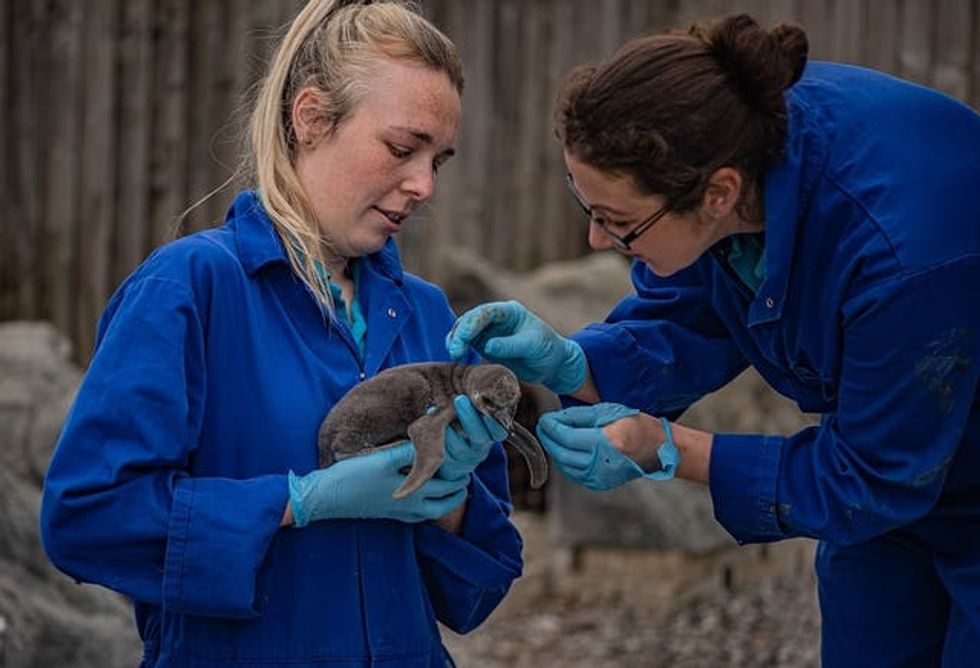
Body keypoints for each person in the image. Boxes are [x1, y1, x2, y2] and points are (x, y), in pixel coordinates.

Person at [447, 13, 980, 667]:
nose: (596, 239)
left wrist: (668, 449)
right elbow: (696, 306)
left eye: (617, 221)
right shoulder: (730, 144)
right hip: (893, 472)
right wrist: (574, 364)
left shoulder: (899, 256)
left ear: (720, 193)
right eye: (588, 209)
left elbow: (871, 477)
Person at [40, 1, 523, 665]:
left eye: (438, 160)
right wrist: (298, 503)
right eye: (401, 148)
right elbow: (88, 518)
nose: (423, 185)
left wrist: (449, 499)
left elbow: (482, 584)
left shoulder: (430, 316)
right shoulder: (188, 289)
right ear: (311, 118)